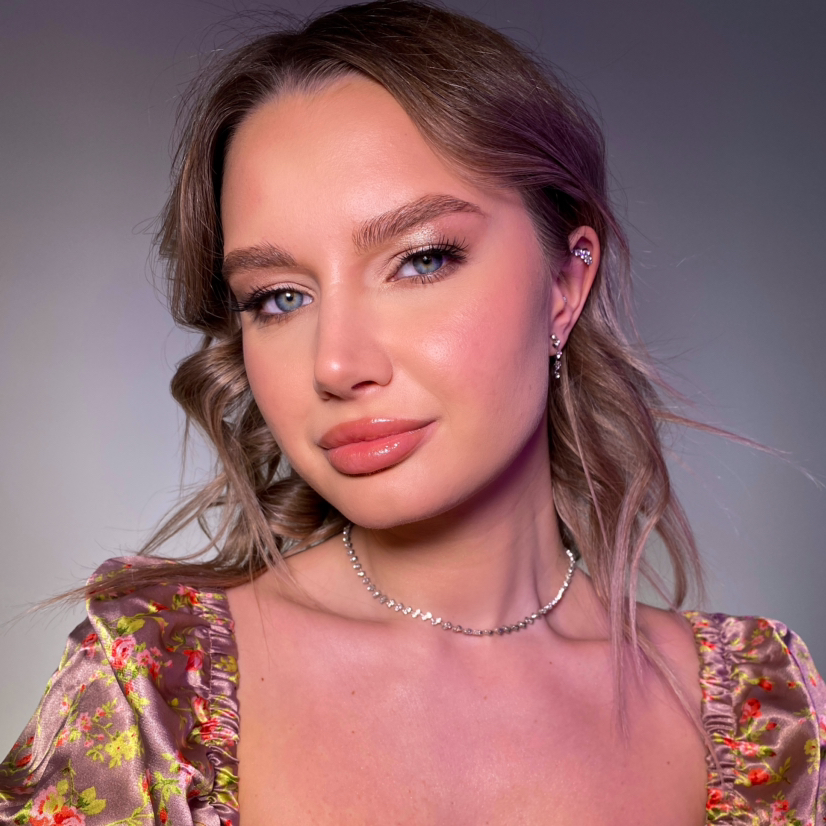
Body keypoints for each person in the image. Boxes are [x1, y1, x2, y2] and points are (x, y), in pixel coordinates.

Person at [1, 1, 823, 823]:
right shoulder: (155, 695)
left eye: (421, 261)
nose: (336, 364)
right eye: (279, 297)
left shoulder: (764, 723)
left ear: (565, 285)